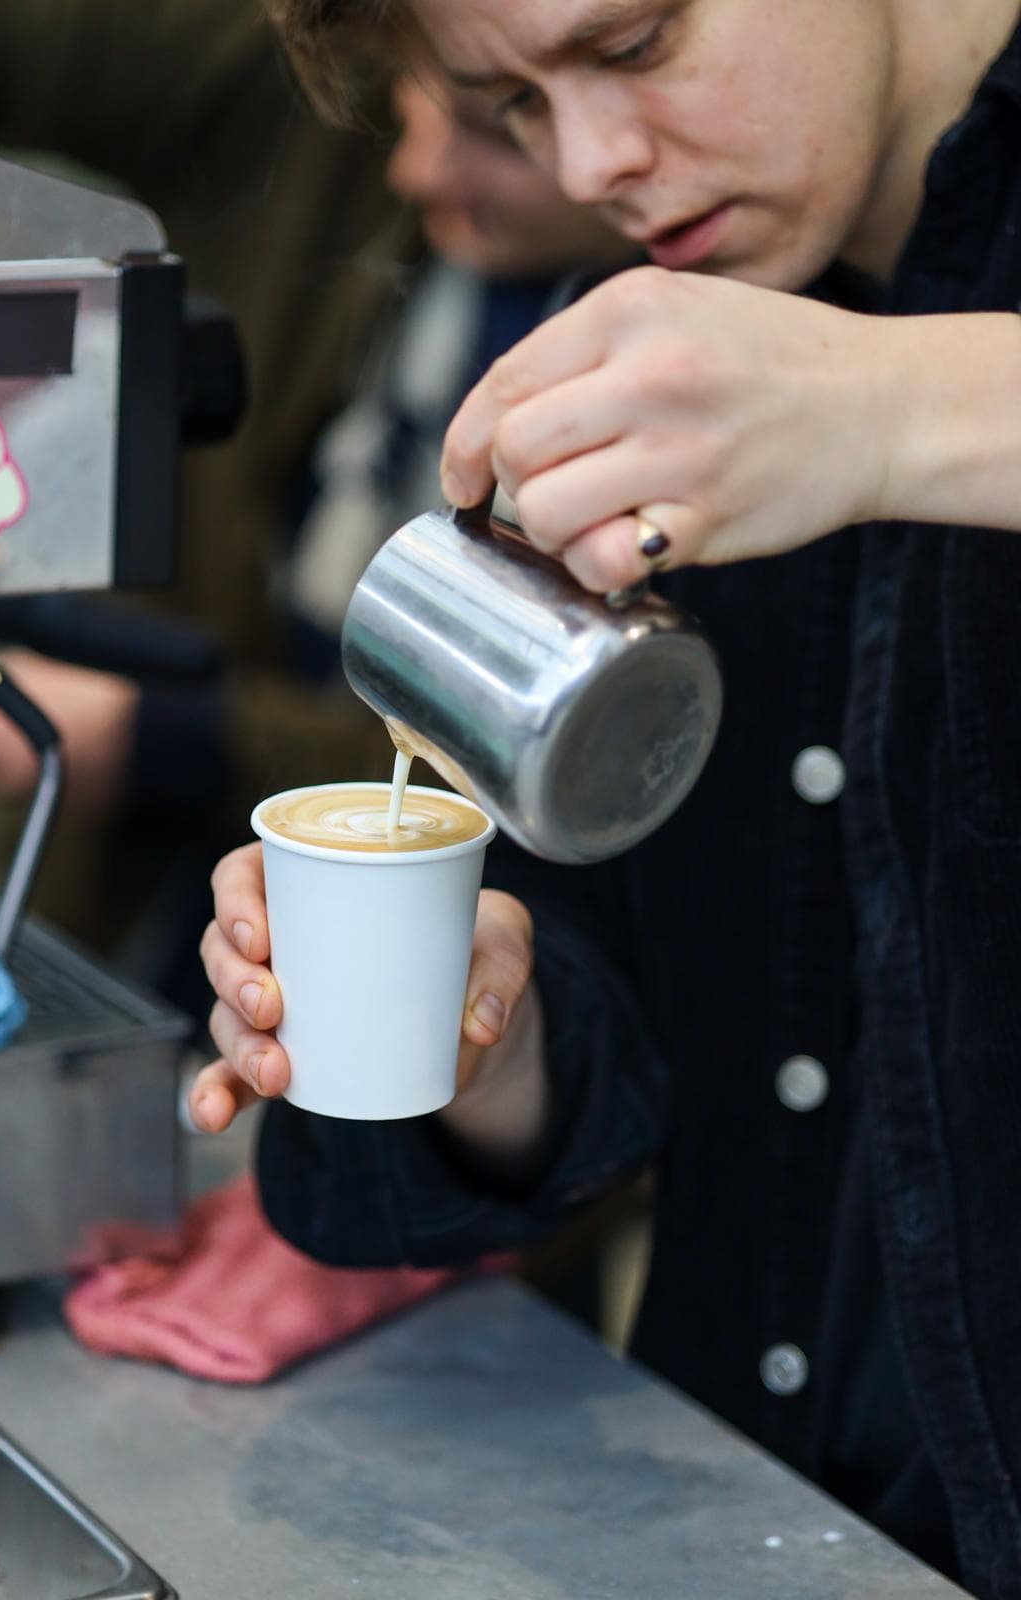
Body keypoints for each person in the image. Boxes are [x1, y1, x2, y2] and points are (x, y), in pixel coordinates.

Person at [192, 0, 1021, 1592]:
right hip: (755, 1516)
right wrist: (485, 1030)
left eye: (634, 44)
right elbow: (652, 989)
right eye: (512, 103)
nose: (592, 162)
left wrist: (893, 409)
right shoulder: (652, 338)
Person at [0, 71, 625, 1023]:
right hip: (154, 911)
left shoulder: (648, 421)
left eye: (496, 134)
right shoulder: (375, 211)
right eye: (420, 107)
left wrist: (167, 738)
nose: (414, 169)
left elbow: (535, 764)